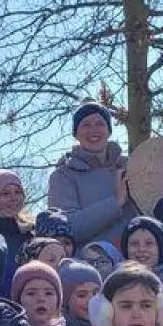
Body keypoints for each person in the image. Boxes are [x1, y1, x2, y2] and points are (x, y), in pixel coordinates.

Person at [47, 102, 135, 247]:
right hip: (92, 264)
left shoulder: (131, 167)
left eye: (100, 123)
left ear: (109, 131)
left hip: (139, 261)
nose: (93, 130)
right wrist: (116, 202)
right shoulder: (63, 177)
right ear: (76, 134)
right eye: (85, 125)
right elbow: (67, 228)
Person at [119, 216, 163, 304]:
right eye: (134, 244)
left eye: (149, 243)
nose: (142, 249)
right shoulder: (115, 286)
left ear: (161, 249)